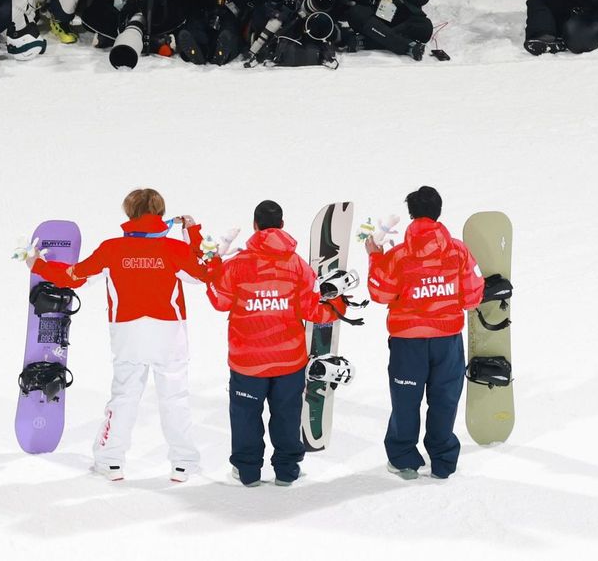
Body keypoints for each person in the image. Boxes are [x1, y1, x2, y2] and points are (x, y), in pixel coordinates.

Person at [28, 188, 209, 483]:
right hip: (169, 333)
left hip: (128, 332)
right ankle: (184, 464)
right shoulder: (175, 250)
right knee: (174, 398)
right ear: (161, 214)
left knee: (125, 396)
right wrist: (194, 232)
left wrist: (36, 263)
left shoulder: (112, 249)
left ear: (129, 213)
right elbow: (205, 272)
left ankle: (111, 461)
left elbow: (74, 276)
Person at [203, 199, 350, 488]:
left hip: (247, 362)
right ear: (282, 225)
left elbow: (219, 302)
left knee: (245, 416)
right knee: (286, 415)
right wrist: (337, 305)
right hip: (289, 362)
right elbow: (312, 311)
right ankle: (286, 471)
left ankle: (247, 472)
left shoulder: (237, 266)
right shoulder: (296, 265)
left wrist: (213, 271)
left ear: (255, 225)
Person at [365, 185, 482, 481]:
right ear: (438, 212)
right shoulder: (458, 251)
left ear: (411, 213)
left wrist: (375, 257)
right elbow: (471, 297)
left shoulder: (398, 256)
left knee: (406, 401)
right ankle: (443, 461)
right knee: (445, 400)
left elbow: (380, 293)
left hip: (407, 343)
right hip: (447, 341)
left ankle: (404, 459)